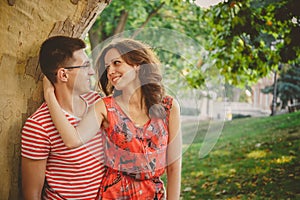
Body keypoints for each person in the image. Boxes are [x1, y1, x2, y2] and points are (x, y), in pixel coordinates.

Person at [43, 38, 182, 199]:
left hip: (154, 195)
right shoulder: (105, 107)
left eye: (116, 63)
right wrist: (49, 96)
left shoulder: (169, 107)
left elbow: (174, 167)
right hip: (115, 194)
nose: (110, 72)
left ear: (137, 64)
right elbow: (72, 140)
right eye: (107, 67)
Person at [21, 36, 105, 200]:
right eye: (85, 66)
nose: (91, 72)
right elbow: (32, 194)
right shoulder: (38, 126)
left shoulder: (97, 103)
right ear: (63, 75)